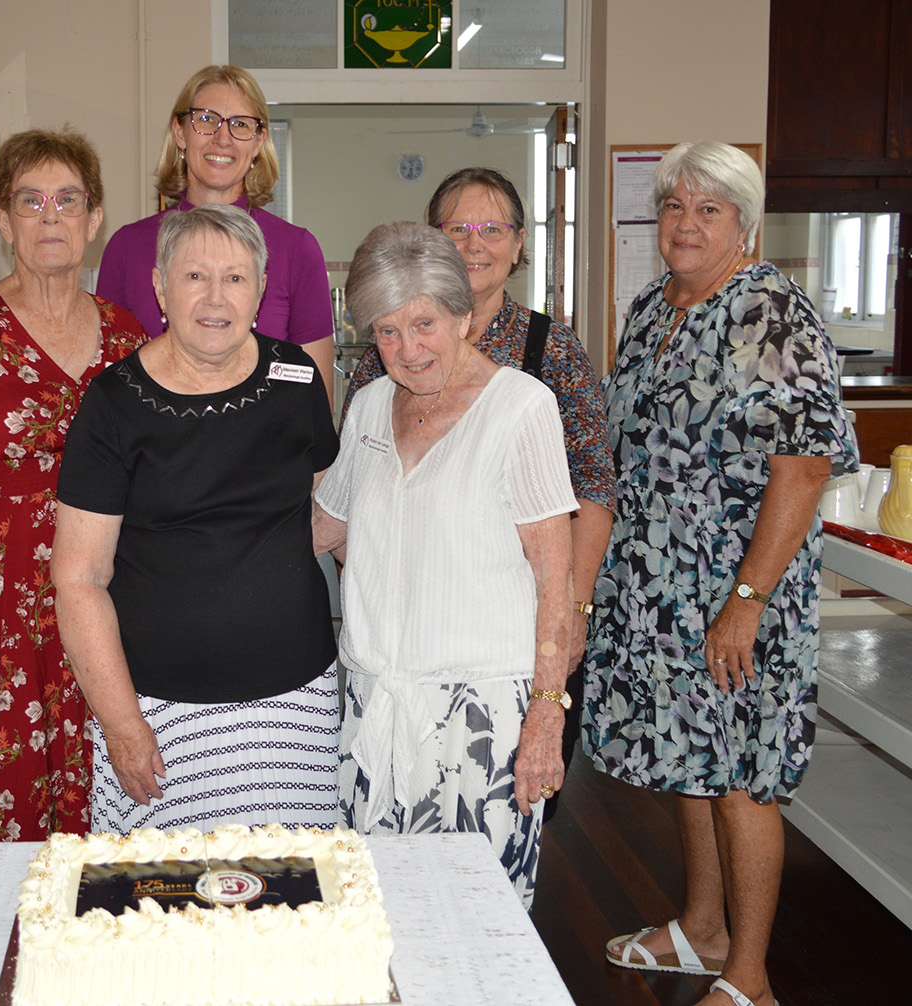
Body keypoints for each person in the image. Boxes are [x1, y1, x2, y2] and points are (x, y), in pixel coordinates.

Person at [584, 142, 858, 1006]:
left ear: (744, 221)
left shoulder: (769, 312)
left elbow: (804, 467)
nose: (686, 224)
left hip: (742, 592)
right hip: (661, 590)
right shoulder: (651, 307)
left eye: (709, 209)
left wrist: (744, 603)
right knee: (688, 760)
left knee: (741, 774)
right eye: (674, 206)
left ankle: (750, 976)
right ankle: (703, 929)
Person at [313, 221, 576, 911]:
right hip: (376, 708)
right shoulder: (369, 406)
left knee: (476, 923)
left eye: (425, 322)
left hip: (481, 719)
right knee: (376, 920)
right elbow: (325, 527)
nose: (409, 349)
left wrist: (547, 717)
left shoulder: (521, 408)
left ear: (463, 315)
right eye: (388, 331)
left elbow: (557, 578)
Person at [53, 203, 339, 833]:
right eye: (194, 277)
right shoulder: (111, 405)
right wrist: (123, 725)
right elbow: (78, 580)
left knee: (290, 901)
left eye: (236, 278)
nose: (217, 297)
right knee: (158, 907)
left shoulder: (297, 379)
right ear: (159, 287)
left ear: (261, 289)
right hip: (156, 715)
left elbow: (330, 510)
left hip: (293, 705)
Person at [341, 170, 616, 800]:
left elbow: (594, 488)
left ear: (519, 244)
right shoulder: (379, 371)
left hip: (502, 656)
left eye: (492, 229)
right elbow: (356, 493)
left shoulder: (551, 354)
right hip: (397, 665)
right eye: (457, 228)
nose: (475, 242)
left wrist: (573, 611)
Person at [0, 128, 145, 843]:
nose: (49, 216)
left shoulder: (127, 337)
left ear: (93, 220)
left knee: (98, 821)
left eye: (67, 200)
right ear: (4, 220)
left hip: (99, 615)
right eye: (30, 200)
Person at [96, 64, 335, 397]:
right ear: (180, 133)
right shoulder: (127, 248)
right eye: (206, 119)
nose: (223, 138)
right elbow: (111, 388)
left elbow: (314, 397)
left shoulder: (297, 250)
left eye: (240, 124)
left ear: (258, 141)